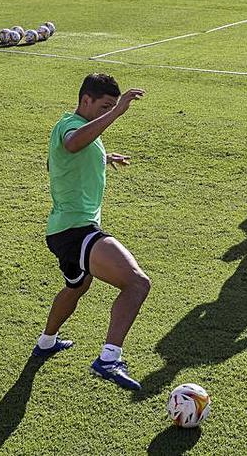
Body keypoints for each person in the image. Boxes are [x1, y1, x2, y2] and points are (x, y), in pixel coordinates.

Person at [32, 73, 152, 392]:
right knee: (137, 283)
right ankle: (109, 359)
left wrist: (102, 157)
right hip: (75, 229)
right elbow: (72, 142)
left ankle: (46, 342)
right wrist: (117, 113)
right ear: (85, 100)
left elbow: (60, 158)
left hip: (66, 228)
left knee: (77, 286)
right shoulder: (68, 126)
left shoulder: (80, 129)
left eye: (111, 107)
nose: (107, 111)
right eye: (103, 106)